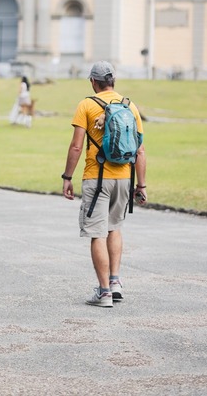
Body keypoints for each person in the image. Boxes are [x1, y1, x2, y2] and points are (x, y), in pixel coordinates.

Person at [61, 61, 147, 308]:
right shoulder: (129, 106)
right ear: (114, 81)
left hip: (97, 178)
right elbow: (140, 150)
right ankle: (116, 281)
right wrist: (141, 186)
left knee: (96, 233)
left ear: (93, 81)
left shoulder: (87, 105)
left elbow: (77, 146)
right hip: (124, 178)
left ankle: (104, 292)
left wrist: (67, 177)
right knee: (115, 228)